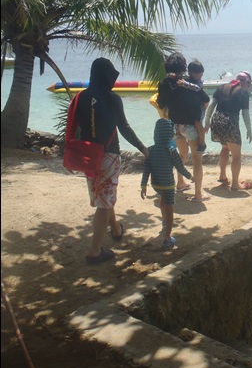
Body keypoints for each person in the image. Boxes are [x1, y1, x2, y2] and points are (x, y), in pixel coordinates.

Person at [76, 58, 149, 264]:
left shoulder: (81, 97)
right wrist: (142, 148)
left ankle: (116, 230)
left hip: (88, 156)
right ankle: (94, 251)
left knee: (105, 197)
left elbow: (78, 127)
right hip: (108, 155)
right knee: (104, 202)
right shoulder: (112, 98)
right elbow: (123, 127)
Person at [157, 53, 211, 201]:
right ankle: (198, 194)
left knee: (182, 154)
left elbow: (161, 104)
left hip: (175, 125)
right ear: (183, 67)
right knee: (196, 158)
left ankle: (180, 183)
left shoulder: (163, 84)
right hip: (191, 126)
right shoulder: (187, 83)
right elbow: (206, 99)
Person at [140, 119, 194, 248]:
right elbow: (180, 168)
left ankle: (164, 221)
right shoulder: (171, 150)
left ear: (155, 134)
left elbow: (146, 169)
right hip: (168, 184)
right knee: (170, 210)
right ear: (170, 134)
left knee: (162, 201)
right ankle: (167, 238)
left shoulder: (150, 150)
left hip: (156, 185)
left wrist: (143, 185)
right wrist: (191, 176)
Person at [204, 71, 252, 191]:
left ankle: (222, 176)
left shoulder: (221, 87)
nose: (249, 86)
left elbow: (211, 105)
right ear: (246, 82)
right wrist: (249, 129)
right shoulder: (243, 92)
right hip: (230, 122)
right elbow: (245, 113)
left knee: (225, 148)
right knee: (236, 156)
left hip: (217, 120)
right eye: (249, 83)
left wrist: (207, 121)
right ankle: (235, 184)